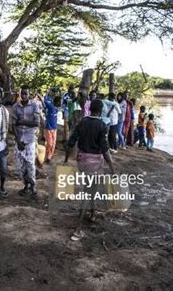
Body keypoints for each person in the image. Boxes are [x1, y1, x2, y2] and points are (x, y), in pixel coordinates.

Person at [65, 99, 115, 241]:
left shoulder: (82, 122)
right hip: (94, 163)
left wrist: (66, 158)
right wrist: (112, 167)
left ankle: (92, 213)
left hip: (82, 161)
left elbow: (71, 142)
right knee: (88, 192)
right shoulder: (102, 125)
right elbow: (105, 150)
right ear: (100, 111)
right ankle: (77, 230)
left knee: (91, 189)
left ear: (91, 108)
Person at [12, 87, 41, 199]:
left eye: (26, 94)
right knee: (20, 166)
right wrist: (18, 141)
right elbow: (13, 125)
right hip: (19, 140)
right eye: (22, 94)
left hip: (30, 140)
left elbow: (37, 123)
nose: (23, 96)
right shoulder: (15, 107)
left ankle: (33, 187)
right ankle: (26, 185)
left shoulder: (34, 106)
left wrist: (23, 122)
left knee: (30, 165)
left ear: (29, 94)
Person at [38, 91, 61, 163]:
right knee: (50, 143)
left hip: (54, 128)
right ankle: (47, 155)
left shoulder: (57, 108)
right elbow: (44, 101)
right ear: (56, 102)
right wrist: (40, 97)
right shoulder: (50, 106)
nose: (60, 103)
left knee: (53, 144)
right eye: (59, 102)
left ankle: (49, 156)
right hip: (48, 128)